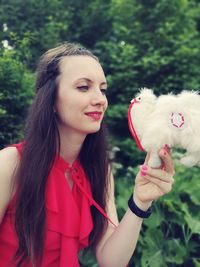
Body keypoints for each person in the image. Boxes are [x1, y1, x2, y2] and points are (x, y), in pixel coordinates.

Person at [0, 42, 175, 267]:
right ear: (51, 100)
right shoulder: (9, 164)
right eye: (84, 87)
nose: (100, 99)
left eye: (102, 89)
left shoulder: (99, 170)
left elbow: (111, 261)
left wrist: (140, 202)